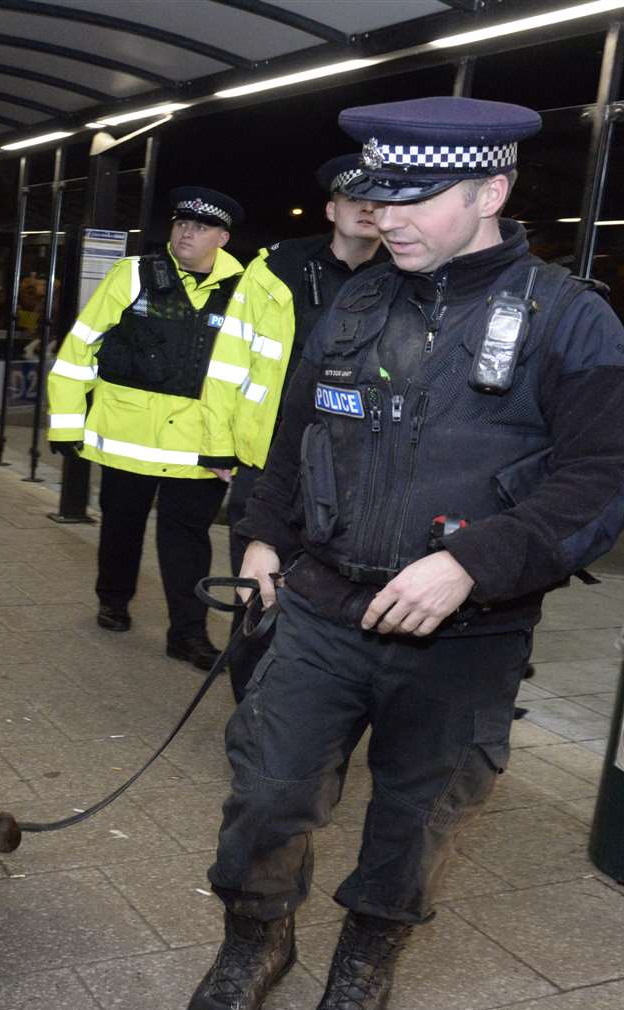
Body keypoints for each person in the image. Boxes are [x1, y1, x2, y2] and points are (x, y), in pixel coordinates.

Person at [187, 99, 624, 1010]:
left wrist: (473, 565)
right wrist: (262, 536)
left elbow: (602, 483)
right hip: (321, 605)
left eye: (412, 197)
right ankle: (256, 940)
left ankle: (368, 952)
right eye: (376, 194)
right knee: (267, 794)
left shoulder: (570, 322)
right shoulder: (355, 302)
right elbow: (290, 437)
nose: (384, 216)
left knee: (416, 819)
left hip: (462, 640)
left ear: (492, 191)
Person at [45, 187, 290, 670]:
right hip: (126, 439)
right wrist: (67, 423)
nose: (186, 232)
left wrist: (239, 448)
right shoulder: (133, 274)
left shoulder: (244, 289)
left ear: (223, 237)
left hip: (200, 447)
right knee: (121, 526)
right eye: (181, 223)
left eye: (200, 227)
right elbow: (80, 348)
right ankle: (113, 600)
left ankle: (188, 634)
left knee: (187, 542)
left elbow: (256, 376)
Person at [226, 153, 386, 700]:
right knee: (257, 599)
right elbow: (231, 362)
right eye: (353, 198)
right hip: (272, 464)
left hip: (353, 472)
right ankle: (251, 722)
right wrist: (221, 450)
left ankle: (299, 724)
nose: (368, 208)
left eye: (379, 198)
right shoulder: (279, 269)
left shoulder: (403, 276)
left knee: (323, 609)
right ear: (330, 208)